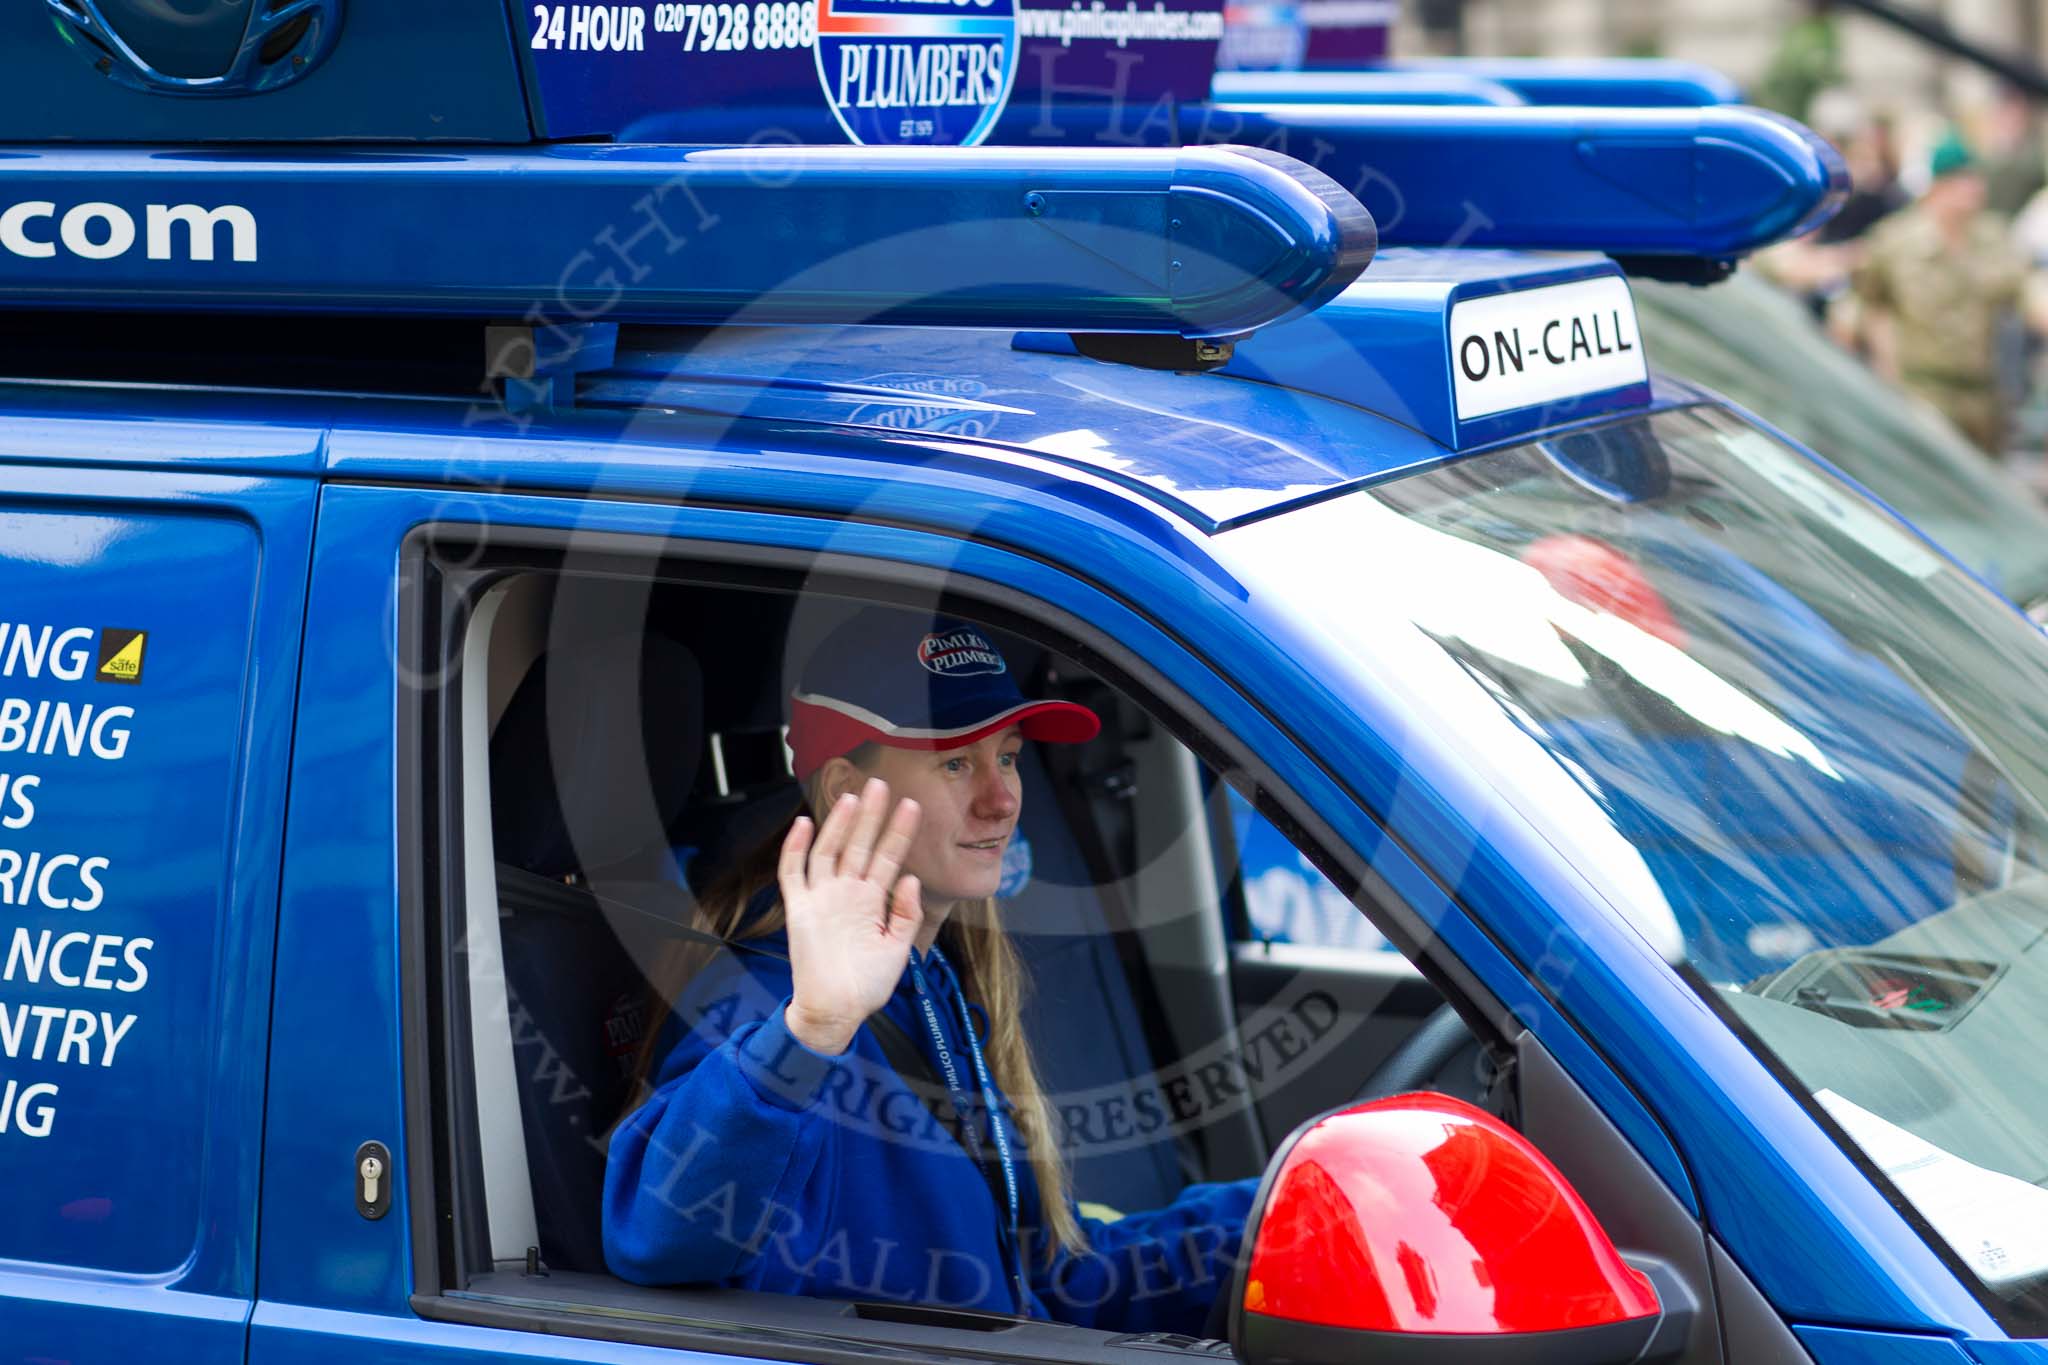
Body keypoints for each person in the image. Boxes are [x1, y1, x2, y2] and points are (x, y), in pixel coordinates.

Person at [603, 608, 1257, 1331]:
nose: (1002, 798)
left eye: (1006, 756)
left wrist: (1286, 1212)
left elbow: (1044, 1285)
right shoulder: (772, 997)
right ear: (845, 787)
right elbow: (657, 1236)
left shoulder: (934, 976)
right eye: (956, 762)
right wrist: (812, 1030)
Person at [1853, 127, 2029, 458]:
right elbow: (1873, 308)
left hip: (1983, 398)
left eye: (1975, 180)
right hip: (1924, 390)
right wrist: (1888, 376)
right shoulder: (1896, 241)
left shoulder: (1994, 238)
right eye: (1962, 181)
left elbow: (2026, 293)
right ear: (1940, 187)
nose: (1974, 190)